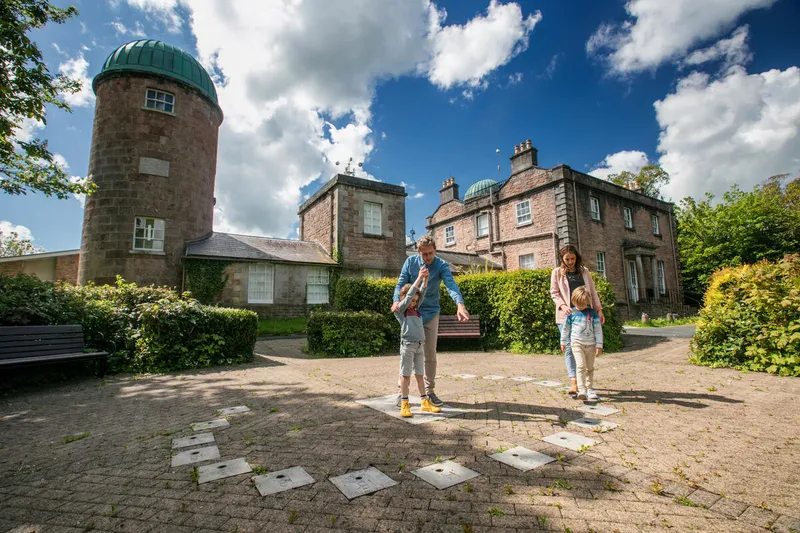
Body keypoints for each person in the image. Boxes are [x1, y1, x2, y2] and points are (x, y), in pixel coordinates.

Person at [392, 234, 469, 407]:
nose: (428, 257)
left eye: (431, 254)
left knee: (430, 354)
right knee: (406, 353)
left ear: (435, 251)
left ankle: (429, 392)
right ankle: (401, 393)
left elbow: (451, 285)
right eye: (424, 254)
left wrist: (459, 304)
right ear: (418, 252)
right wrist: (396, 300)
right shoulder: (410, 263)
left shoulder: (441, 265)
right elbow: (400, 284)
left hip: (430, 313)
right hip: (411, 312)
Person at [550, 244, 604, 395]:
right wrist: (562, 305)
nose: (570, 261)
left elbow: (592, 292)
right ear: (562, 259)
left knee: (586, 347)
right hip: (566, 315)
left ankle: (586, 382)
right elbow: (554, 293)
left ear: (576, 257)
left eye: (572, 258)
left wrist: (599, 310)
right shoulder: (557, 273)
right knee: (568, 347)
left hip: (585, 315)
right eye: (567, 259)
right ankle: (574, 382)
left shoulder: (584, 271)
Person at [393, 269, 441, 417]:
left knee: (420, 374)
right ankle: (405, 403)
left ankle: (424, 401)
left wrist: (425, 280)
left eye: (415, 301)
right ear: (403, 298)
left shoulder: (416, 309)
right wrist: (419, 276)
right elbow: (409, 296)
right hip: (408, 346)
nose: (413, 303)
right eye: (411, 301)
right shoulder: (401, 311)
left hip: (420, 345)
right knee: (406, 374)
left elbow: (422, 293)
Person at [560, 286, 603, 401]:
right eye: (578, 304)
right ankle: (582, 389)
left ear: (587, 302)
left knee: (589, 367)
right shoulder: (571, 313)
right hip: (577, 343)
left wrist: (599, 345)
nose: (580, 307)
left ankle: (589, 389)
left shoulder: (592, 313)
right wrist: (563, 342)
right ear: (574, 301)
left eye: (583, 304)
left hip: (591, 345)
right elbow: (566, 329)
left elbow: (598, 330)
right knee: (580, 366)